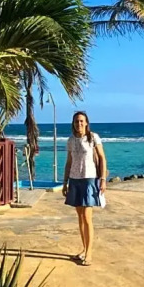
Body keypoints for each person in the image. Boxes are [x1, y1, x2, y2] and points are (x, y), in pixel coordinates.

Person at [62, 111, 106, 266]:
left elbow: (102, 158)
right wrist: (65, 182)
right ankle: (84, 248)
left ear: (86, 122)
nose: (79, 124)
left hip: (89, 179)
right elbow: (69, 162)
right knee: (80, 217)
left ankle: (89, 253)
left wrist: (103, 179)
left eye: (81, 121)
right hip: (75, 180)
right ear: (73, 123)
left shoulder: (93, 138)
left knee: (87, 218)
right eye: (76, 121)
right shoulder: (71, 140)